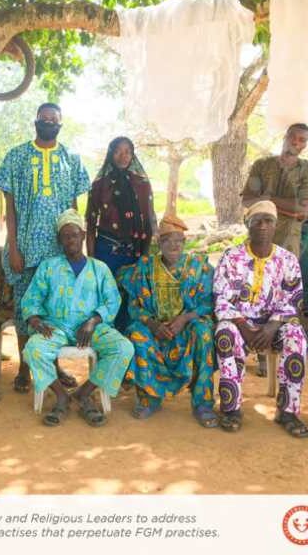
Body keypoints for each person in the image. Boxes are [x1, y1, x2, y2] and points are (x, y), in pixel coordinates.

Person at [0, 103, 91, 393]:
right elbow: (10, 208)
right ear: (36, 121)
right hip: (26, 250)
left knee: (54, 310)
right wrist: (13, 247)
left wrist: (76, 250)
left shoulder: (71, 158)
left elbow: (73, 210)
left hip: (59, 252)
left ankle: (53, 367)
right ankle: (25, 368)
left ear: (60, 124)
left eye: (53, 119)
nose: (48, 122)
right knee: (26, 309)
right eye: (43, 118)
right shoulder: (16, 156)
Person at [21, 209, 134, 427]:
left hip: (92, 327)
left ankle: (84, 393)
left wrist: (93, 321)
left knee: (123, 348)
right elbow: (32, 298)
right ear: (59, 240)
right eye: (65, 236)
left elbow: (112, 300)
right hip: (57, 327)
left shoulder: (99, 268)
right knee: (33, 349)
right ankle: (61, 396)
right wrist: (35, 320)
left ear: (82, 236)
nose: (70, 240)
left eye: (74, 235)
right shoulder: (49, 267)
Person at [214, 200, 307, 437]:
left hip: (274, 326)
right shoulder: (231, 257)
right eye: (257, 221)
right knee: (224, 334)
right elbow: (221, 297)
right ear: (248, 225)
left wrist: (272, 326)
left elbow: (293, 299)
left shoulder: (288, 260)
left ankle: (287, 411)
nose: (263, 226)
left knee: (296, 336)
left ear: (276, 225)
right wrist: (244, 327)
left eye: (269, 221)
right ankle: (231, 409)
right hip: (239, 324)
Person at [118, 215, 217, 427]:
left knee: (203, 332)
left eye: (179, 240)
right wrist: (153, 324)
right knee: (137, 334)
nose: (174, 245)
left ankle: (203, 403)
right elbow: (134, 306)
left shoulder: (198, 267)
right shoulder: (146, 268)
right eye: (167, 240)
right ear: (158, 243)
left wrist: (184, 318)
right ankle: (149, 398)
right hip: (155, 327)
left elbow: (208, 304)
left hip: (185, 327)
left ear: (185, 242)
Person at [242, 123, 308, 376]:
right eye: (293, 137)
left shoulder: (305, 170)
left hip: (289, 243)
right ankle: (260, 351)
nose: (297, 143)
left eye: (302, 140)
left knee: (284, 294)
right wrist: (286, 207)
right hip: (257, 239)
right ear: (285, 137)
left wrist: (267, 199)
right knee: (257, 291)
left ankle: (282, 347)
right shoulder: (262, 165)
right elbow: (247, 200)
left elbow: (302, 209)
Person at [86, 136, 156, 277]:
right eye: (117, 151)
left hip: (135, 252)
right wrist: (91, 260)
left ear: (132, 155)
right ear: (111, 154)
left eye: (127, 152)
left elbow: (150, 221)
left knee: (133, 290)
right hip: (106, 253)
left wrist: (145, 255)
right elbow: (90, 226)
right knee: (106, 289)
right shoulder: (100, 185)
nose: (123, 156)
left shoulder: (142, 184)